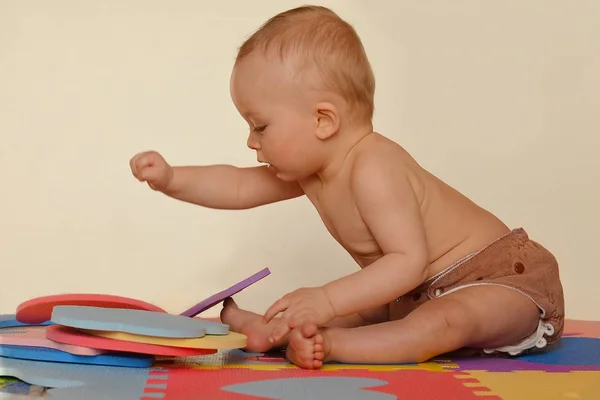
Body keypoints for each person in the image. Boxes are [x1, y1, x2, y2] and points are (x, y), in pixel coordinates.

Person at [129, 5, 564, 369]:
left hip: (497, 280)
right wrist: (172, 178)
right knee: (365, 314)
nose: (250, 140)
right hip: (410, 294)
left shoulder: (373, 165)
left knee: (440, 323)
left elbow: (408, 262)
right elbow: (240, 186)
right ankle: (276, 330)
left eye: (260, 125)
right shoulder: (311, 169)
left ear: (323, 120)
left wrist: (325, 299)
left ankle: (330, 347)